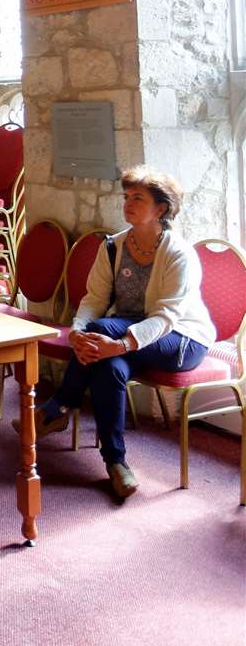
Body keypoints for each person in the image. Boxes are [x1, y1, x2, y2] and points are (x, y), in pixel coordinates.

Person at [14, 166, 214, 502]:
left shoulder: (179, 254)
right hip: (127, 336)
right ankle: (116, 462)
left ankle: (59, 406)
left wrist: (119, 343)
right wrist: (78, 332)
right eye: (127, 196)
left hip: (181, 338)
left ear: (161, 209)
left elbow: (166, 317)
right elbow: (93, 299)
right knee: (109, 365)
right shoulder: (113, 246)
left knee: (104, 333)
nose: (128, 203)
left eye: (138, 198)